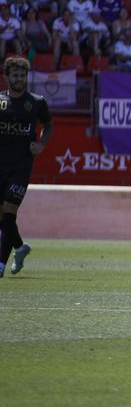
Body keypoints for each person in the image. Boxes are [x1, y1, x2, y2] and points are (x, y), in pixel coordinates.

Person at [0, 56, 52, 276]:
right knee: (3, 217)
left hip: (21, 167)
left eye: (22, 75)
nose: (19, 79)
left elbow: (48, 124)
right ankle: (20, 248)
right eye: (15, 75)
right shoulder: (0, 101)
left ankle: (1, 264)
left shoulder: (37, 102)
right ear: (7, 77)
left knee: (9, 214)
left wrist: (40, 144)